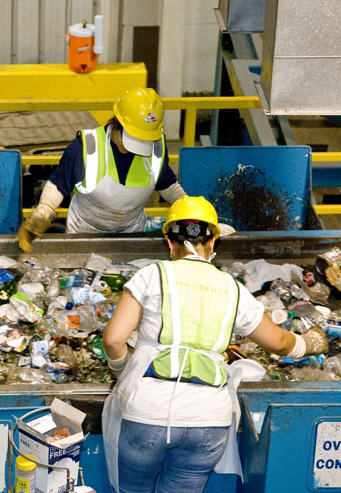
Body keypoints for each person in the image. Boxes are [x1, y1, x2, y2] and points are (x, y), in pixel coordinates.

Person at [101, 196, 328, 493]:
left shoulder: (152, 275)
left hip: (147, 413)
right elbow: (280, 343)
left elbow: (113, 340)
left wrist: (122, 370)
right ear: (212, 242)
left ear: (169, 243)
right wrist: (310, 343)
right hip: (209, 420)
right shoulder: (233, 288)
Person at [16, 86, 186, 252]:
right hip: (84, 235)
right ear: (118, 124)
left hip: (131, 237)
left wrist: (188, 208)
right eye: (136, 139)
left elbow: (167, 184)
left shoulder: (156, 149)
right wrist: (42, 213)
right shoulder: (86, 148)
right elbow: (59, 184)